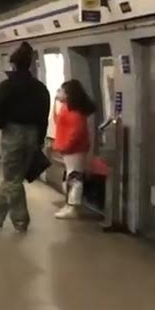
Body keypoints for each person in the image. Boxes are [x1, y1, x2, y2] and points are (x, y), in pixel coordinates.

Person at [0, 41, 50, 231]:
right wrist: (40, 139)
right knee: (12, 178)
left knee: (12, 179)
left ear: (13, 65)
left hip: (13, 132)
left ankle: (20, 219)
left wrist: (2, 124)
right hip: (33, 133)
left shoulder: (8, 86)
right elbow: (44, 117)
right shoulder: (41, 88)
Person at [52, 79, 95, 220]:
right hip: (68, 148)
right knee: (70, 176)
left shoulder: (76, 113)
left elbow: (76, 132)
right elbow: (57, 120)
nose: (60, 93)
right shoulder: (67, 107)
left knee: (75, 177)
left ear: (69, 94)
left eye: (62, 91)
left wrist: (66, 146)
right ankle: (69, 204)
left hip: (75, 149)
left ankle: (73, 207)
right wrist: (55, 102)